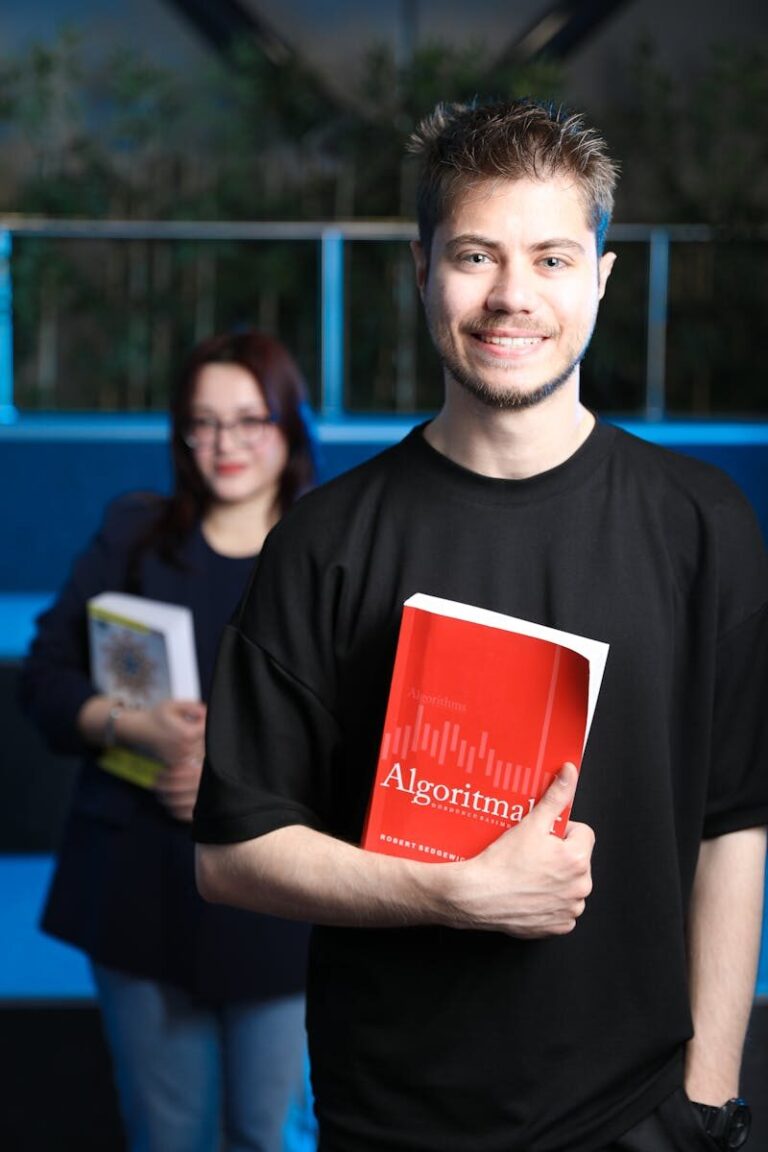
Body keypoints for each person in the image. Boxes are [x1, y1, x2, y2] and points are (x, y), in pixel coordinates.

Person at [192, 100, 768, 1152]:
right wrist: (449, 893)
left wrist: (709, 1098)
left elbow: (734, 822)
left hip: (642, 1117)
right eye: (474, 254)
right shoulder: (326, 541)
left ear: (602, 274)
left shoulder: (704, 526)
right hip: (393, 1119)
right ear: (421, 270)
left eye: (552, 257)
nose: (512, 296)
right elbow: (233, 853)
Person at [20, 328, 318, 1152]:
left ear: (290, 426)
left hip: (280, 904)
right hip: (137, 891)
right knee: (166, 1137)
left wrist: (232, 777)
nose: (225, 444)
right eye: (203, 422)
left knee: (272, 1136)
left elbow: (365, 732)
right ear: (181, 432)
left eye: (249, 420)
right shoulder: (134, 534)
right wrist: (127, 726)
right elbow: (42, 679)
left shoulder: (326, 553)